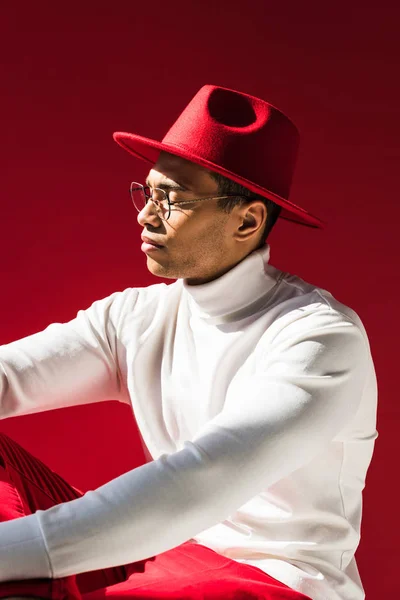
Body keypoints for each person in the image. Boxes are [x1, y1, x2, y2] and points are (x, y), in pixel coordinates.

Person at [0, 85, 378, 600]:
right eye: (146, 192)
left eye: (172, 200)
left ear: (246, 221)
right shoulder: (135, 315)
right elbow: (9, 376)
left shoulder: (319, 336)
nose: (145, 216)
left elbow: (202, 479)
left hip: (276, 580)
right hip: (167, 551)